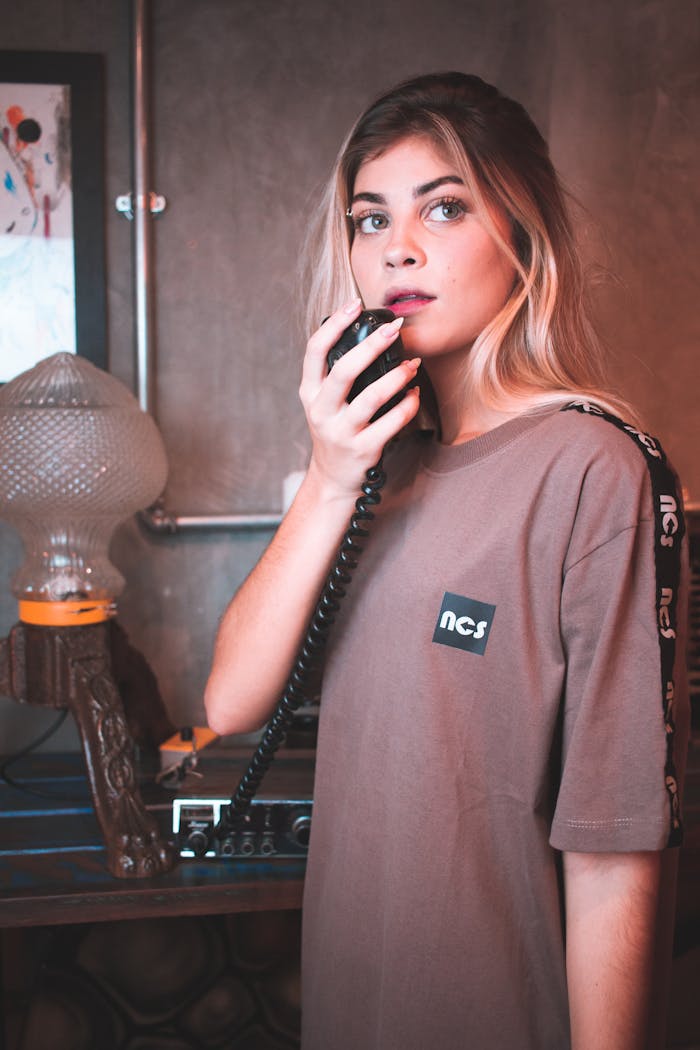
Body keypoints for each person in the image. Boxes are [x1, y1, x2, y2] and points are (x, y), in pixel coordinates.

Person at [204, 72, 689, 1050]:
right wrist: (331, 474)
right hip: (351, 997)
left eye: (445, 206)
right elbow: (228, 707)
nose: (399, 248)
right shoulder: (377, 469)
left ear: (524, 233)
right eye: (369, 219)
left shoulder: (595, 468)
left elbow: (614, 848)